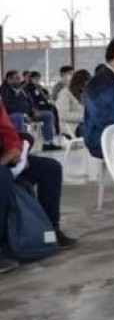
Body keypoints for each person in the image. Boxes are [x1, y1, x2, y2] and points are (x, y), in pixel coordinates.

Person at [0, 102, 76, 251]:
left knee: (50, 168)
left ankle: (50, 231)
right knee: (3, 178)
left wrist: (15, 149)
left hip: (4, 158)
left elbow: (7, 130)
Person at [0, 71, 62, 151]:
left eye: (19, 78)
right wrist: (24, 114)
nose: (19, 80)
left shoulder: (23, 90)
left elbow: (31, 102)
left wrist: (34, 111)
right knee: (18, 117)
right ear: (9, 79)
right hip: (11, 115)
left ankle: (48, 143)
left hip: (29, 114)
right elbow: (8, 106)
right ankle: (19, 145)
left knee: (48, 115)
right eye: (17, 78)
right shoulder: (3, 91)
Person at [25, 71, 61, 137]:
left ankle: (56, 128)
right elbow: (38, 96)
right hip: (35, 106)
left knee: (53, 108)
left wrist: (45, 94)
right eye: (35, 78)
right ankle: (54, 129)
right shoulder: (29, 87)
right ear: (31, 78)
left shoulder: (38, 86)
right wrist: (44, 97)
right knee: (51, 109)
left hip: (40, 104)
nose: (37, 80)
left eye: (38, 79)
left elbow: (44, 92)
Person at [56, 69, 91, 137]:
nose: (85, 87)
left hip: (85, 123)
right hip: (71, 126)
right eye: (83, 85)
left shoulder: (84, 93)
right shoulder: (65, 93)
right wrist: (84, 116)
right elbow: (63, 115)